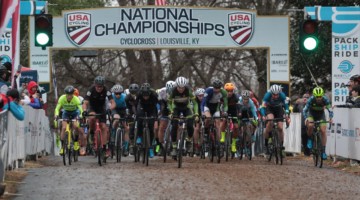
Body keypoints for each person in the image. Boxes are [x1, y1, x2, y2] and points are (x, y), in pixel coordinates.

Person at [82, 76, 115, 158]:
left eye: (101, 86)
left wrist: (110, 109)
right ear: (95, 85)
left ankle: (103, 147)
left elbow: (113, 103)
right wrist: (84, 110)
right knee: (92, 117)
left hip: (102, 109)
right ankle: (92, 133)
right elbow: (85, 102)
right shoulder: (91, 90)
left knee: (103, 127)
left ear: (103, 86)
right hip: (92, 108)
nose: (99, 88)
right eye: (98, 86)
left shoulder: (106, 90)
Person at [168, 77, 199, 156]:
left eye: (182, 88)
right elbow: (169, 102)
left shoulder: (189, 90)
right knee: (174, 125)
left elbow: (195, 103)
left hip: (186, 108)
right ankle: (174, 147)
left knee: (190, 124)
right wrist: (171, 112)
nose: (181, 90)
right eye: (179, 88)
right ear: (176, 86)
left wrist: (196, 114)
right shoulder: (173, 91)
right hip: (176, 108)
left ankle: (189, 140)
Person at [303, 86, 333, 160]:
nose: (319, 98)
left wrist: (331, 118)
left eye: (320, 96)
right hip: (311, 114)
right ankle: (309, 138)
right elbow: (305, 110)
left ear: (322, 95)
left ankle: (323, 151)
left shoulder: (325, 99)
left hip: (320, 115)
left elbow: (330, 110)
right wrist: (306, 118)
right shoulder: (311, 99)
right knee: (310, 125)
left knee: (323, 131)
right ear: (314, 95)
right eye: (317, 96)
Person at [260, 84, 290, 157]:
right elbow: (262, 107)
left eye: (277, 95)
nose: (276, 96)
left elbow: (286, 106)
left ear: (279, 93)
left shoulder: (282, 95)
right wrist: (263, 115)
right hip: (269, 108)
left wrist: (286, 114)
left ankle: (281, 146)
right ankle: (266, 144)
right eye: (274, 95)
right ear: (271, 93)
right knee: (270, 120)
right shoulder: (267, 95)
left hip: (278, 109)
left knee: (280, 127)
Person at [54, 85, 85, 156]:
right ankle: (62, 147)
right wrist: (56, 114)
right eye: (68, 95)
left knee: (75, 126)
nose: (69, 96)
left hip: (75, 112)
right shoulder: (62, 98)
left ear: (73, 94)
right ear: (65, 94)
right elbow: (57, 108)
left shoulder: (76, 99)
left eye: (71, 95)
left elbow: (80, 109)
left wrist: (80, 116)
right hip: (66, 113)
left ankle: (76, 142)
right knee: (64, 128)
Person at [201, 78, 228, 157]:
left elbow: (226, 104)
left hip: (216, 107)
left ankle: (218, 144)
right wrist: (203, 112)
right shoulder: (208, 91)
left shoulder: (223, 92)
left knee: (217, 125)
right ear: (213, 87)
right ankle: (206, 134)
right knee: (208, 119)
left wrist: (225, 111)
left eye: (218, 88)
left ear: (220, 87)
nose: (216, 90)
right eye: (215, 88)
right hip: (207, 107)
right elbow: (203, 103)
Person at [135, 83, 158, 158]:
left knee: (151, 128)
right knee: (139, 119)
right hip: (141, 107)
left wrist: (156, 119)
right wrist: (136, 115)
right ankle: (139, 137)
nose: (145, 97)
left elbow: (155, 108)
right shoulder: (139, 94)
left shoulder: (154, 95)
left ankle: (150, 148)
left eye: (147, 96)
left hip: (151, 108)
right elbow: (136, 104)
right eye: (144, 96)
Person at [156, 80, 176, 156]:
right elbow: (160, 104)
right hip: (164, 107)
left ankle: (175, 146)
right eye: (169, 90)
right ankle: (160, 146)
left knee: (177, 126)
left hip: (174, 107)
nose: (170, 92)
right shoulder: (162, 91)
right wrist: (159, 112)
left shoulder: (177, 91)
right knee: (161, 127)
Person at [220, 83, 240, 154]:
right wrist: (221, 112)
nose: (229, 93)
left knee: (236, 127)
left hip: (234, 111)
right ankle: (222, 136)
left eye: (231, 91)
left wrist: (239, 113)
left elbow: (239, 106)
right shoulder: (222, 97)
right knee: (224, 121)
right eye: (228, 91)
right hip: (225, 111)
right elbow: (220, 106)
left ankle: (233, 144)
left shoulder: (236, 97)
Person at [110, 84, 130, 156]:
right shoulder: (111, 96)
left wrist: (128, 115)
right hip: (115, 110)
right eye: (116, 93)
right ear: (114, 93)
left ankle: (126, 146)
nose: (118, 95)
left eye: (119, 93)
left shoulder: (125, 97)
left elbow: (128, 107)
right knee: (116, 119)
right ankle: (113, 133)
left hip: (123, 110)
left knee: (127, 128)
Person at [125, 83, 139, 154]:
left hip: (139, 110)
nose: (134, 94)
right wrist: (128, 114)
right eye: (132, 93)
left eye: (135, 93)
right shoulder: (127, 98)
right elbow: (127, 107)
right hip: (131, 112)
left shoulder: (140, 96)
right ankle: (131, 145)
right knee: (131, 128)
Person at [193, 87, 205, 155]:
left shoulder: (206, 100)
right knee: (197, 129)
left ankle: (203, 143)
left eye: (202, 95)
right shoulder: (194, 100)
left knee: (204, 128)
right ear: (196, 96)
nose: (201, 97)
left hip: (204, 115)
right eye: (199, 96)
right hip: (197, 115)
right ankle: (196, 145)